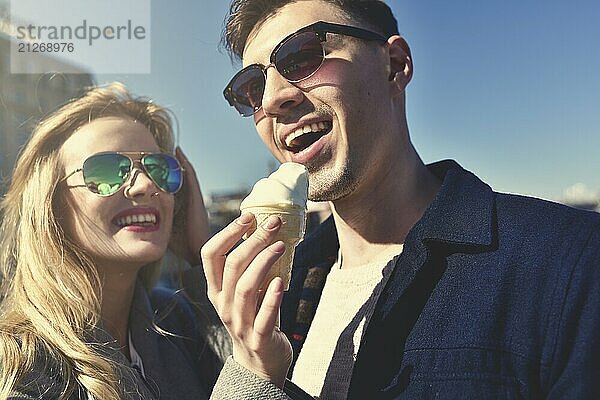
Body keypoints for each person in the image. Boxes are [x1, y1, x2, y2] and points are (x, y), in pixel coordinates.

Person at [203, 0, 600, 399]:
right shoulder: (281, 288)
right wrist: (253, 372)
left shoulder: (571, 262)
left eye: (303, 55)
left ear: (394, 65)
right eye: (252, 88)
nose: (272, 100)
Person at [0, 83, 230, 400]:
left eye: (160, 168)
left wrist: (201, 260)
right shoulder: (17, 365)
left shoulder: (178, 320)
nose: (147, 185)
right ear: (52, 205)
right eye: (108, 170)